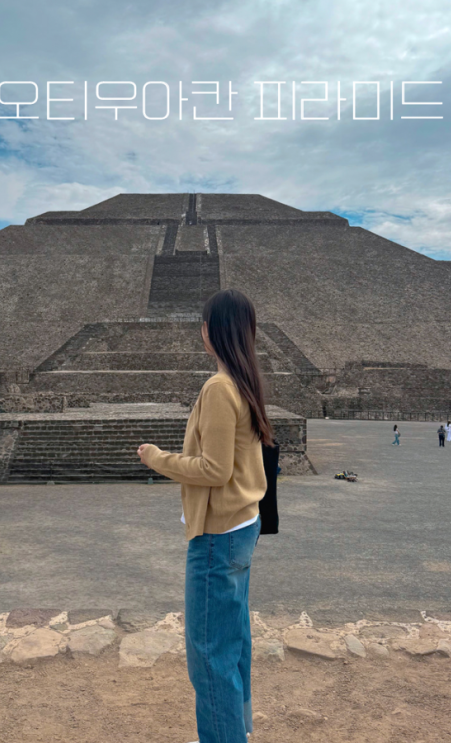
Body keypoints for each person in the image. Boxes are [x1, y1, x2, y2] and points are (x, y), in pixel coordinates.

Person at [137, 289, 270, 743]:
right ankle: (234, 731)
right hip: (242, 526)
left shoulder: (218, 388)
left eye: (204, 323)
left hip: (217, 535)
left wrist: (157, 458)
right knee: (232, 642)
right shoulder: (244, 381)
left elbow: (215, 470)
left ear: (212, 332)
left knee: (208, 654)